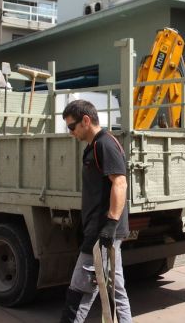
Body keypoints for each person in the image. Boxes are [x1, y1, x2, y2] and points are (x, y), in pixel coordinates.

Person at [60, 100, 132, 323]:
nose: (70, 132)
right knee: (116, 289)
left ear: (86, 120)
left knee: (80, 290)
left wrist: (109, 226)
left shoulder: (104, 145)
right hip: (100, 231)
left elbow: (120, 183)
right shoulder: (94, 146)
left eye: (72, 127)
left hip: (101, 234)